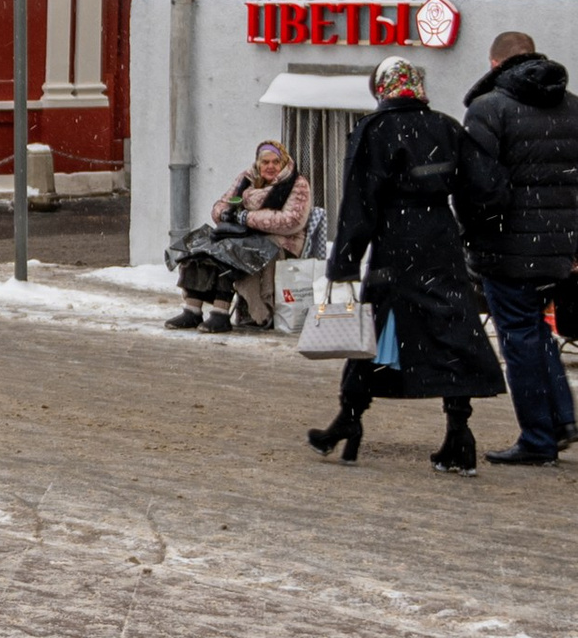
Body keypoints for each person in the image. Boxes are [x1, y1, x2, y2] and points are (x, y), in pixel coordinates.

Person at [308, 53, 505, 475]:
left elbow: (359, 204)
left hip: (395, 245)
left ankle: (350, 419)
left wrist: (343, 263)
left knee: (374, 332)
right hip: (441, 240)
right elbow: (484, 189)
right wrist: (467, 231)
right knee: (452, 330)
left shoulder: (374, 130)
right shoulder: (447, 126)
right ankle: (459, 435)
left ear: (382, 89)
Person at [463, 28, 578, 465]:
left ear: (495, 64)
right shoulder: (572, 107)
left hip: (508, 248)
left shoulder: (488, 109)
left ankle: (538, 439)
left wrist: (473, 237)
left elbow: (479, 189)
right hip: (558, 247)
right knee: (536, 330)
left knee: (519, 338)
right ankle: (561, 420)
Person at [166, 139, 311, 333]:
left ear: (283, 163)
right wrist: (225, 213)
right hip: (244, 237)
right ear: (258, 163)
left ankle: (220, 312)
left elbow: (291, 221)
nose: (270, 167)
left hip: (280, 243)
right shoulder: (247, 179)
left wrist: (246, 217)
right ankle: (192, 309)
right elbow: (221, 204)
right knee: (201, 247)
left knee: (230, 253)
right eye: (265, 162)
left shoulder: (296, 184)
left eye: (275, 162)